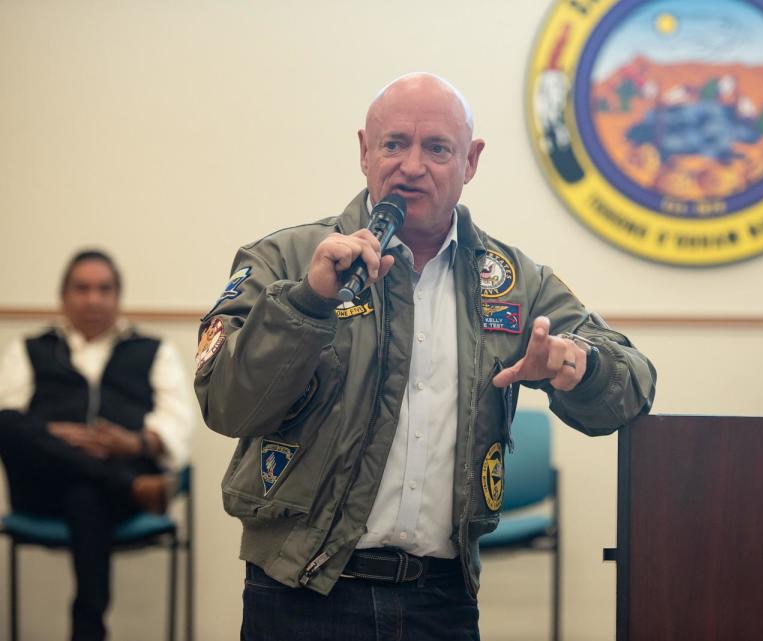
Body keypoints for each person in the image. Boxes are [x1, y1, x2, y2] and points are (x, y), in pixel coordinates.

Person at [195, 73, 656, 641]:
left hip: (442, 600)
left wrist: (575, 365)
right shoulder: (286, 258)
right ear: (365, 151)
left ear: (471, 161)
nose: (412, 165)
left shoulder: (513, 284)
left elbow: (632, 384)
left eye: (437, 148)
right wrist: (307, 303)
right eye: (394, 144)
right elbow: (224, 403)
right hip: (300, 593)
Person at [0, 250, 194, 641]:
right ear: (63, 296)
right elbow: (10, 417)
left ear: (118, 296)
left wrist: (134, 441)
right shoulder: (31, 348)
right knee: (5, 421)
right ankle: (126, 485)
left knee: (86, 494)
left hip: (111, 494)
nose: (93, 299)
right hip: (45, 489)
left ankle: (87, 632)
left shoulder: (153, 350)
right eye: (82, 288)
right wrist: (53, 436)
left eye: (104, 289)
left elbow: (178, 424)